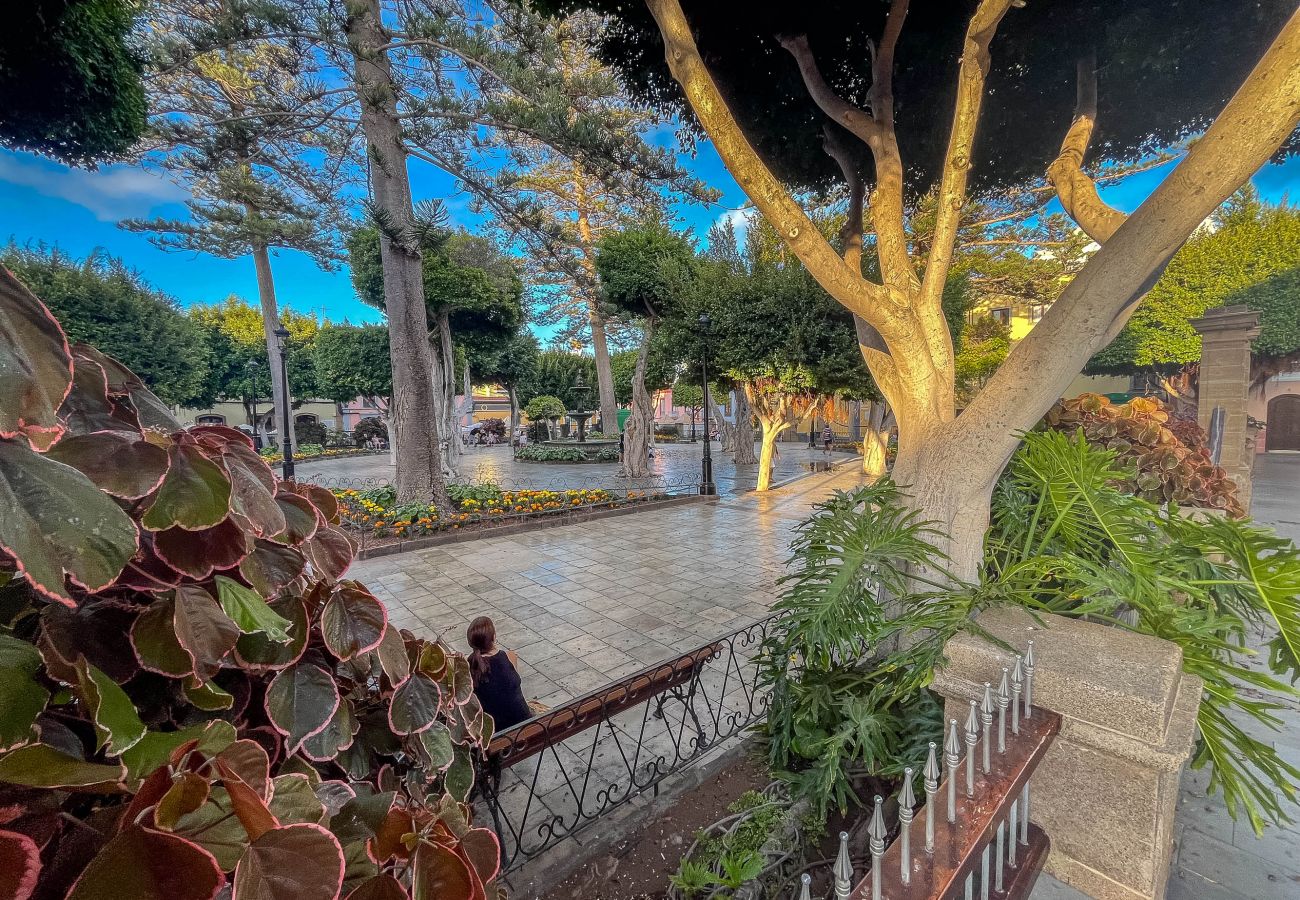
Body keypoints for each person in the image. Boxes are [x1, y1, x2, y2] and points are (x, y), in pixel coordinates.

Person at [467, 617, 534, 731]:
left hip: (495, 734)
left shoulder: (468, 666)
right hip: (524, 726)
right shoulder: (507, 657)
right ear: (493, 637)